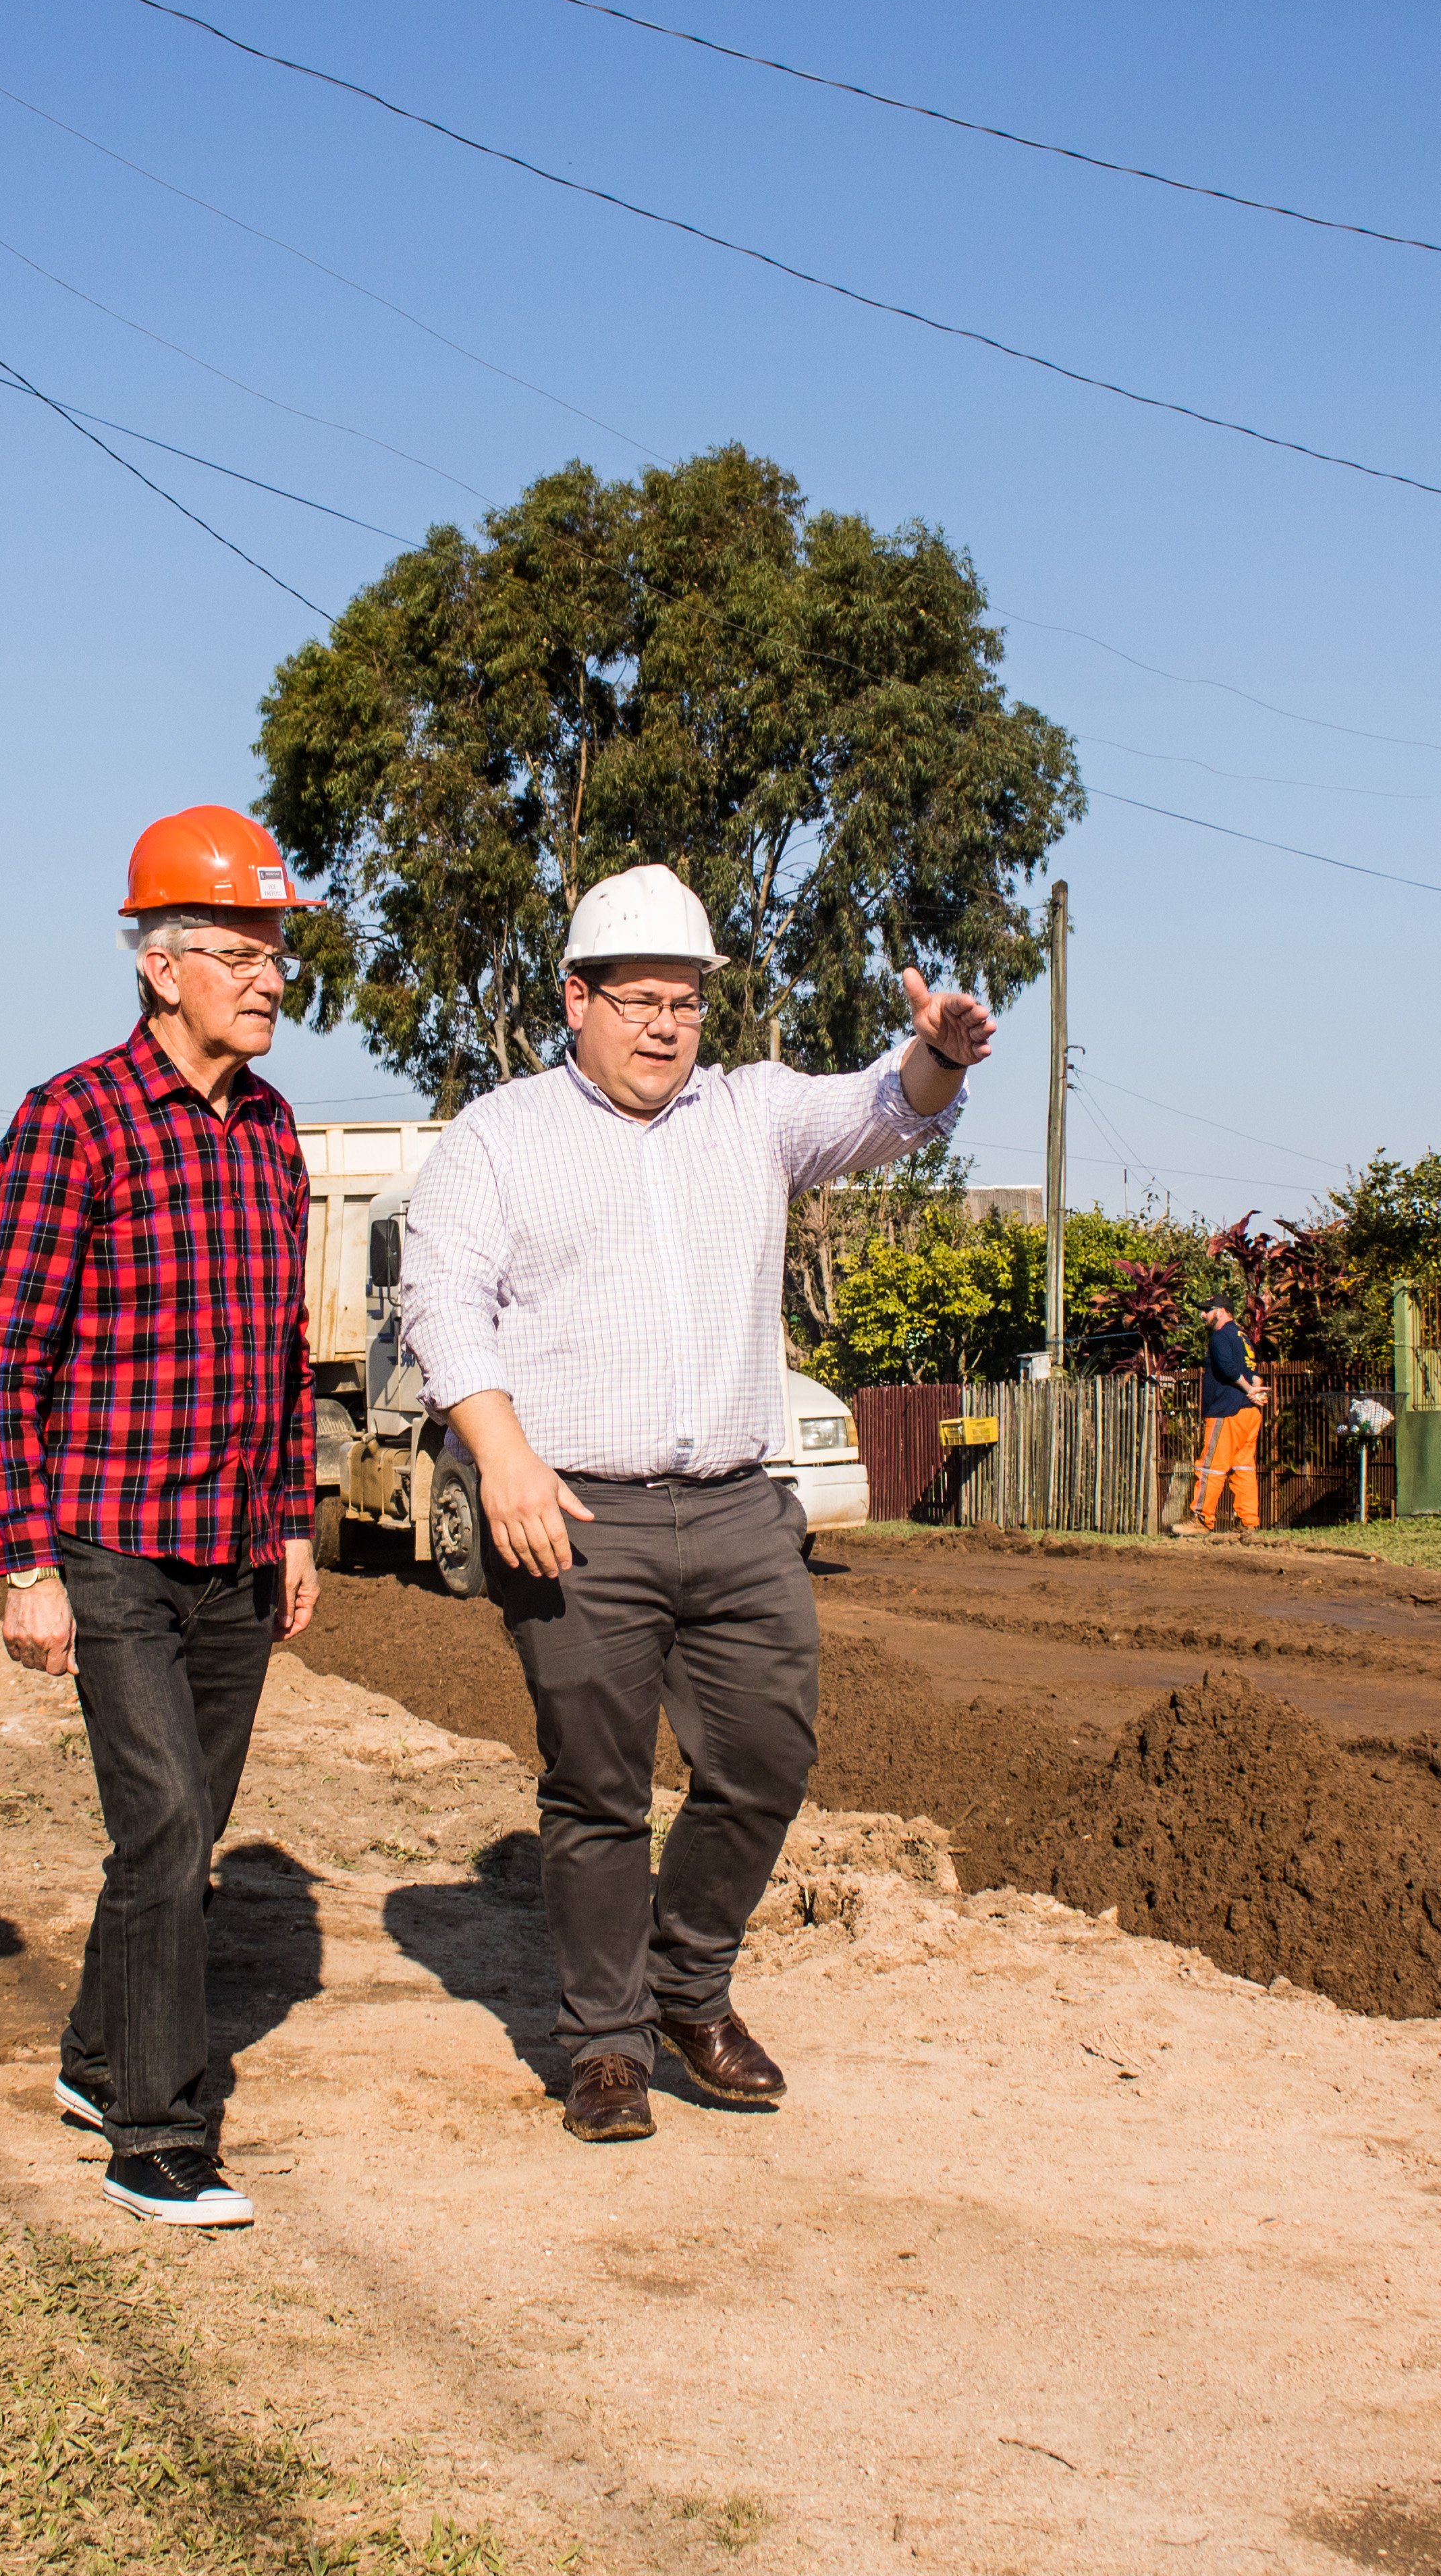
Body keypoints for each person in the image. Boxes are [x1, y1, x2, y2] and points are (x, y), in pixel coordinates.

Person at [396, 864, 995, 2144]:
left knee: (767, 1759)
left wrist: (938, 1057)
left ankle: (687, 1986)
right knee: (598, 1788)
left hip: (735, 1508)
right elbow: (441, 1301)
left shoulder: (753, 1114)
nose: (666, 1025)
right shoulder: (499, 1137)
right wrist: (500, 1455)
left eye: (686, 1001)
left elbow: (885, 1109)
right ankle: (605, 2042)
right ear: (576, 999)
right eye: (640, 1000)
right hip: (574, 1513)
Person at [0, 805, 322, 2229]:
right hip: (110, 1541)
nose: (271, 977)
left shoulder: (274, 1128)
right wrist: (25, 1563)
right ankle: (157, 2134)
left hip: (239, 1547)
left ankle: (97, 2052)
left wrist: (295, 1522)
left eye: (278, 951)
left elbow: (281, 1349)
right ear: (161, 965)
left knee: (177, 1831)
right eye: (241, 952)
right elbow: (5, 1357)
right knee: (170, 1825)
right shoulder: (74, 1119)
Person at [1176, 1301, 1270, 1534]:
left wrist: (1248, 1391)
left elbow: (1228, 1369)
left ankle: (1201, 1519)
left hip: (1226, 1412)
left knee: (1211, 1467)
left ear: (1221, 1311)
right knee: (1243, 1468)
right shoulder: (1244, 1337)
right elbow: (1255, 1371)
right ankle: (1248, 1523)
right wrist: (1254, 1394)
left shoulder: (1220, 1337)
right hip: (1249, 1413)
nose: (1202, 1314)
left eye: (1206, 1310)